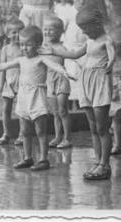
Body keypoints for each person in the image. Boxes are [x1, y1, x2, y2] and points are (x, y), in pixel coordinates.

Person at [0, 26, 73, 171]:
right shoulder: (21, 60)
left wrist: (65, 73)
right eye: (22, 44)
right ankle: (27, 158)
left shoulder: (41, 59)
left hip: (37, 97)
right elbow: (4, 65)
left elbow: (54, 65)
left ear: (38, 44)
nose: (24, 48)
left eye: (28, 45)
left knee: (40, 131)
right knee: (25, 131)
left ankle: (43, 159)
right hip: (23, 97)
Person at [40, 6, 115, 180]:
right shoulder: (89, 42)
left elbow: (112, 57)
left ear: (97, 25)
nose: (84, 33)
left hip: (100, 83)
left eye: (86, 29)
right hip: (86, 82)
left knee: (102, 127)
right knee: (93, 127)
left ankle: (105, 165)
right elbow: (73, 54)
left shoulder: (106, 40)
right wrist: (53, 51)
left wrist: (110, 64)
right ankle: (98, 161)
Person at [42, 16, 72, 149]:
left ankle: (67, 138)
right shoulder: (42, 48)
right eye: (45, 29)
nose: (47, 32)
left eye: (51, 30)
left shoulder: (61, 47)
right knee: (55, 112)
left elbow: (71, 57)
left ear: (60, 32)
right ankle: (57, 136)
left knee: (63, 110)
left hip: (61, 80)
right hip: (49, 81)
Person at [0, 19, 25, 146]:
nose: (17, 35)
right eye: (14, 32)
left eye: (20, 32)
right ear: (8, 34)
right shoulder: (5, 49)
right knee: (6, 108)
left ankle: (22, 134)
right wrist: (1, 84)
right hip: (9, 81)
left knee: (21, 110)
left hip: (22, 81)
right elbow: (3, 67)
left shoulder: (24, 48)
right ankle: (6, 133)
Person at [63, 0, 89, 110]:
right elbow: (61, 31)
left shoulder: (89, 14)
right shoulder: (68, 13)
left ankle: (81, 106)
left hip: (84, 51)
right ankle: (71, 107)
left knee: (82, 80)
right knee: (71, 77)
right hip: (69, 50)